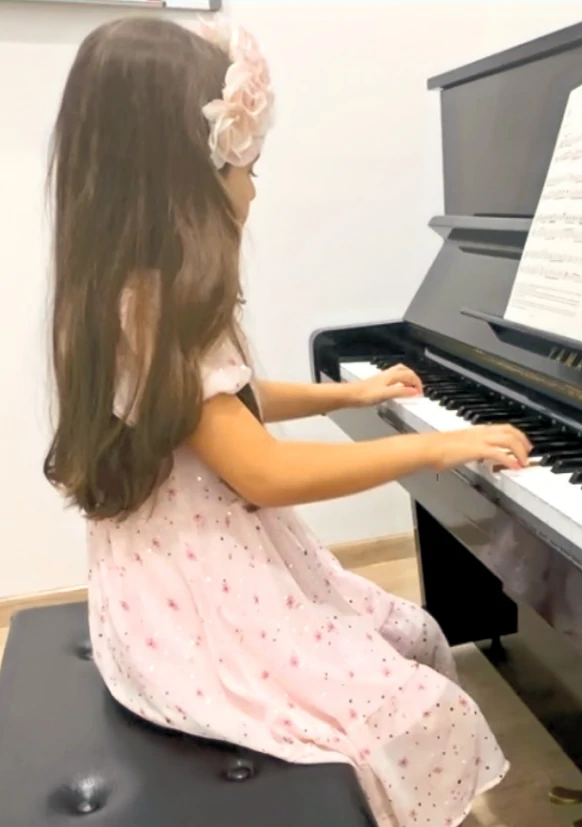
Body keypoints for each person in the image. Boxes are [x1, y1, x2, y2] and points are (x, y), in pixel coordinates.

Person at [44, 16, 531, 827]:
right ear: (179, 178)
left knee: (407, 632)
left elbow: (222, 402)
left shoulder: (131, 288)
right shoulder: (152, 306)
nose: (255, 189)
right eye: (247, 167)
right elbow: (261, 468)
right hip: (195, 606)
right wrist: (434, 444)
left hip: (199, 567)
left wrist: (349, 395)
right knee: (412, 706)